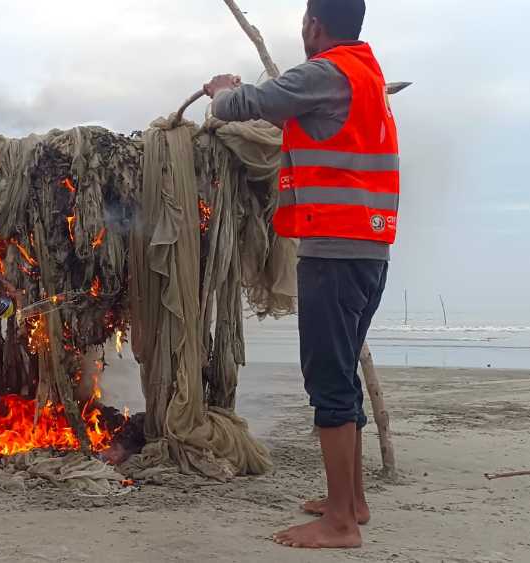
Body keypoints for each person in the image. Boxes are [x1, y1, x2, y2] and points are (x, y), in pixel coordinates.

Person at [205, 0, 399, 549]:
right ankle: (353, 501)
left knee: (329, 381)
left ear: (314, 25)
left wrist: (219, 90)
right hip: (368, 251)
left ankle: (339, 523)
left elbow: (249, 103)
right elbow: (288, 115)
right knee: (343, 374)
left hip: (334, 255)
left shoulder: (326, 72)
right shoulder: (365, 75)